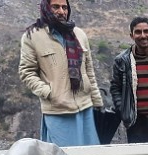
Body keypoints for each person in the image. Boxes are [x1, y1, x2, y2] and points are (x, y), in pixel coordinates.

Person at [19, 0, 103, 147]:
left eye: (64, 7)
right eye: (56, 7)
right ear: (46, 8)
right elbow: (27, 72)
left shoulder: (79, 34)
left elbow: (89, 70)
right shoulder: (32, 36)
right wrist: (49, 92)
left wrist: (97, 102)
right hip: (58, 110)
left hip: (85, 108)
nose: (61, 11)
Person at [110, 17, 148, 143]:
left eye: (146, 31)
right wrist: (124, 110)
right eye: (138, 32)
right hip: (136, 124)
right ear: (132, 36)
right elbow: (115, 88)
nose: (143, 36)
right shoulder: (122, 61)